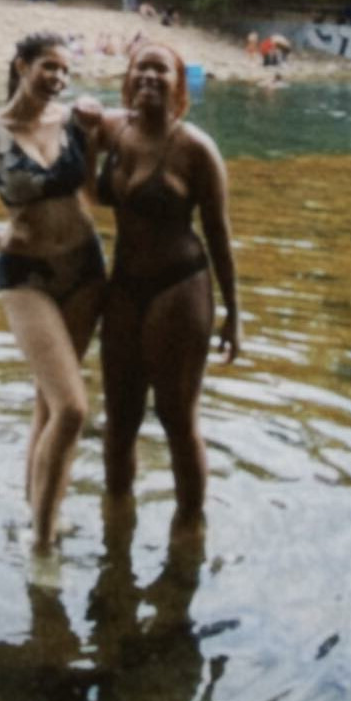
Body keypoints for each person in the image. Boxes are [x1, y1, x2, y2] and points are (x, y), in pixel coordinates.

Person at [0, 32, 106, 552]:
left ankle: (35, 506)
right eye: (48, 67)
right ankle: (43, 546)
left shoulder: (74, 122)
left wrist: (99, 125)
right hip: (25, 276)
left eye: (65, 70)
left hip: (85, 267)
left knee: (49, 405)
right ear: (21, 65)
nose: (58, 79)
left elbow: (96, 193)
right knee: (73, 409)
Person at [93, 41, 239, 535]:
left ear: (179, 84)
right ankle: (116, 526)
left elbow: (219, 235)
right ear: (128, 78)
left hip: (180, 288)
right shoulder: (112, 130)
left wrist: (233, 315)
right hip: (123, 288)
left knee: (176, 419)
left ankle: (190, 531)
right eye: (142, 69)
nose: (150, 77)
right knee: (119, 422)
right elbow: (56, 126)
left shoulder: (197, 148)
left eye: (162, 70)